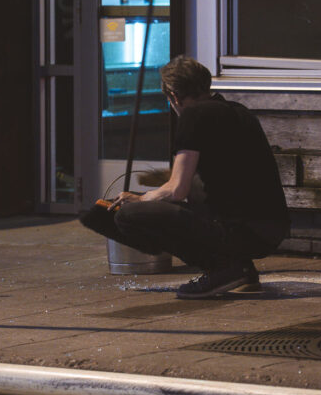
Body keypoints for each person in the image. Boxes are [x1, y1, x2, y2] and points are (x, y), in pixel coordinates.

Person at [81, 56, 290, 299]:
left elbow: (176, 189)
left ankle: (223, 269)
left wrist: (140, 200)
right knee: (185, 200)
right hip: (269, 229)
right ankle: (242, 269)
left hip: (243, 231)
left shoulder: (194, 116)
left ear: (173, 95)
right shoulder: (237, 111)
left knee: (128, 216)